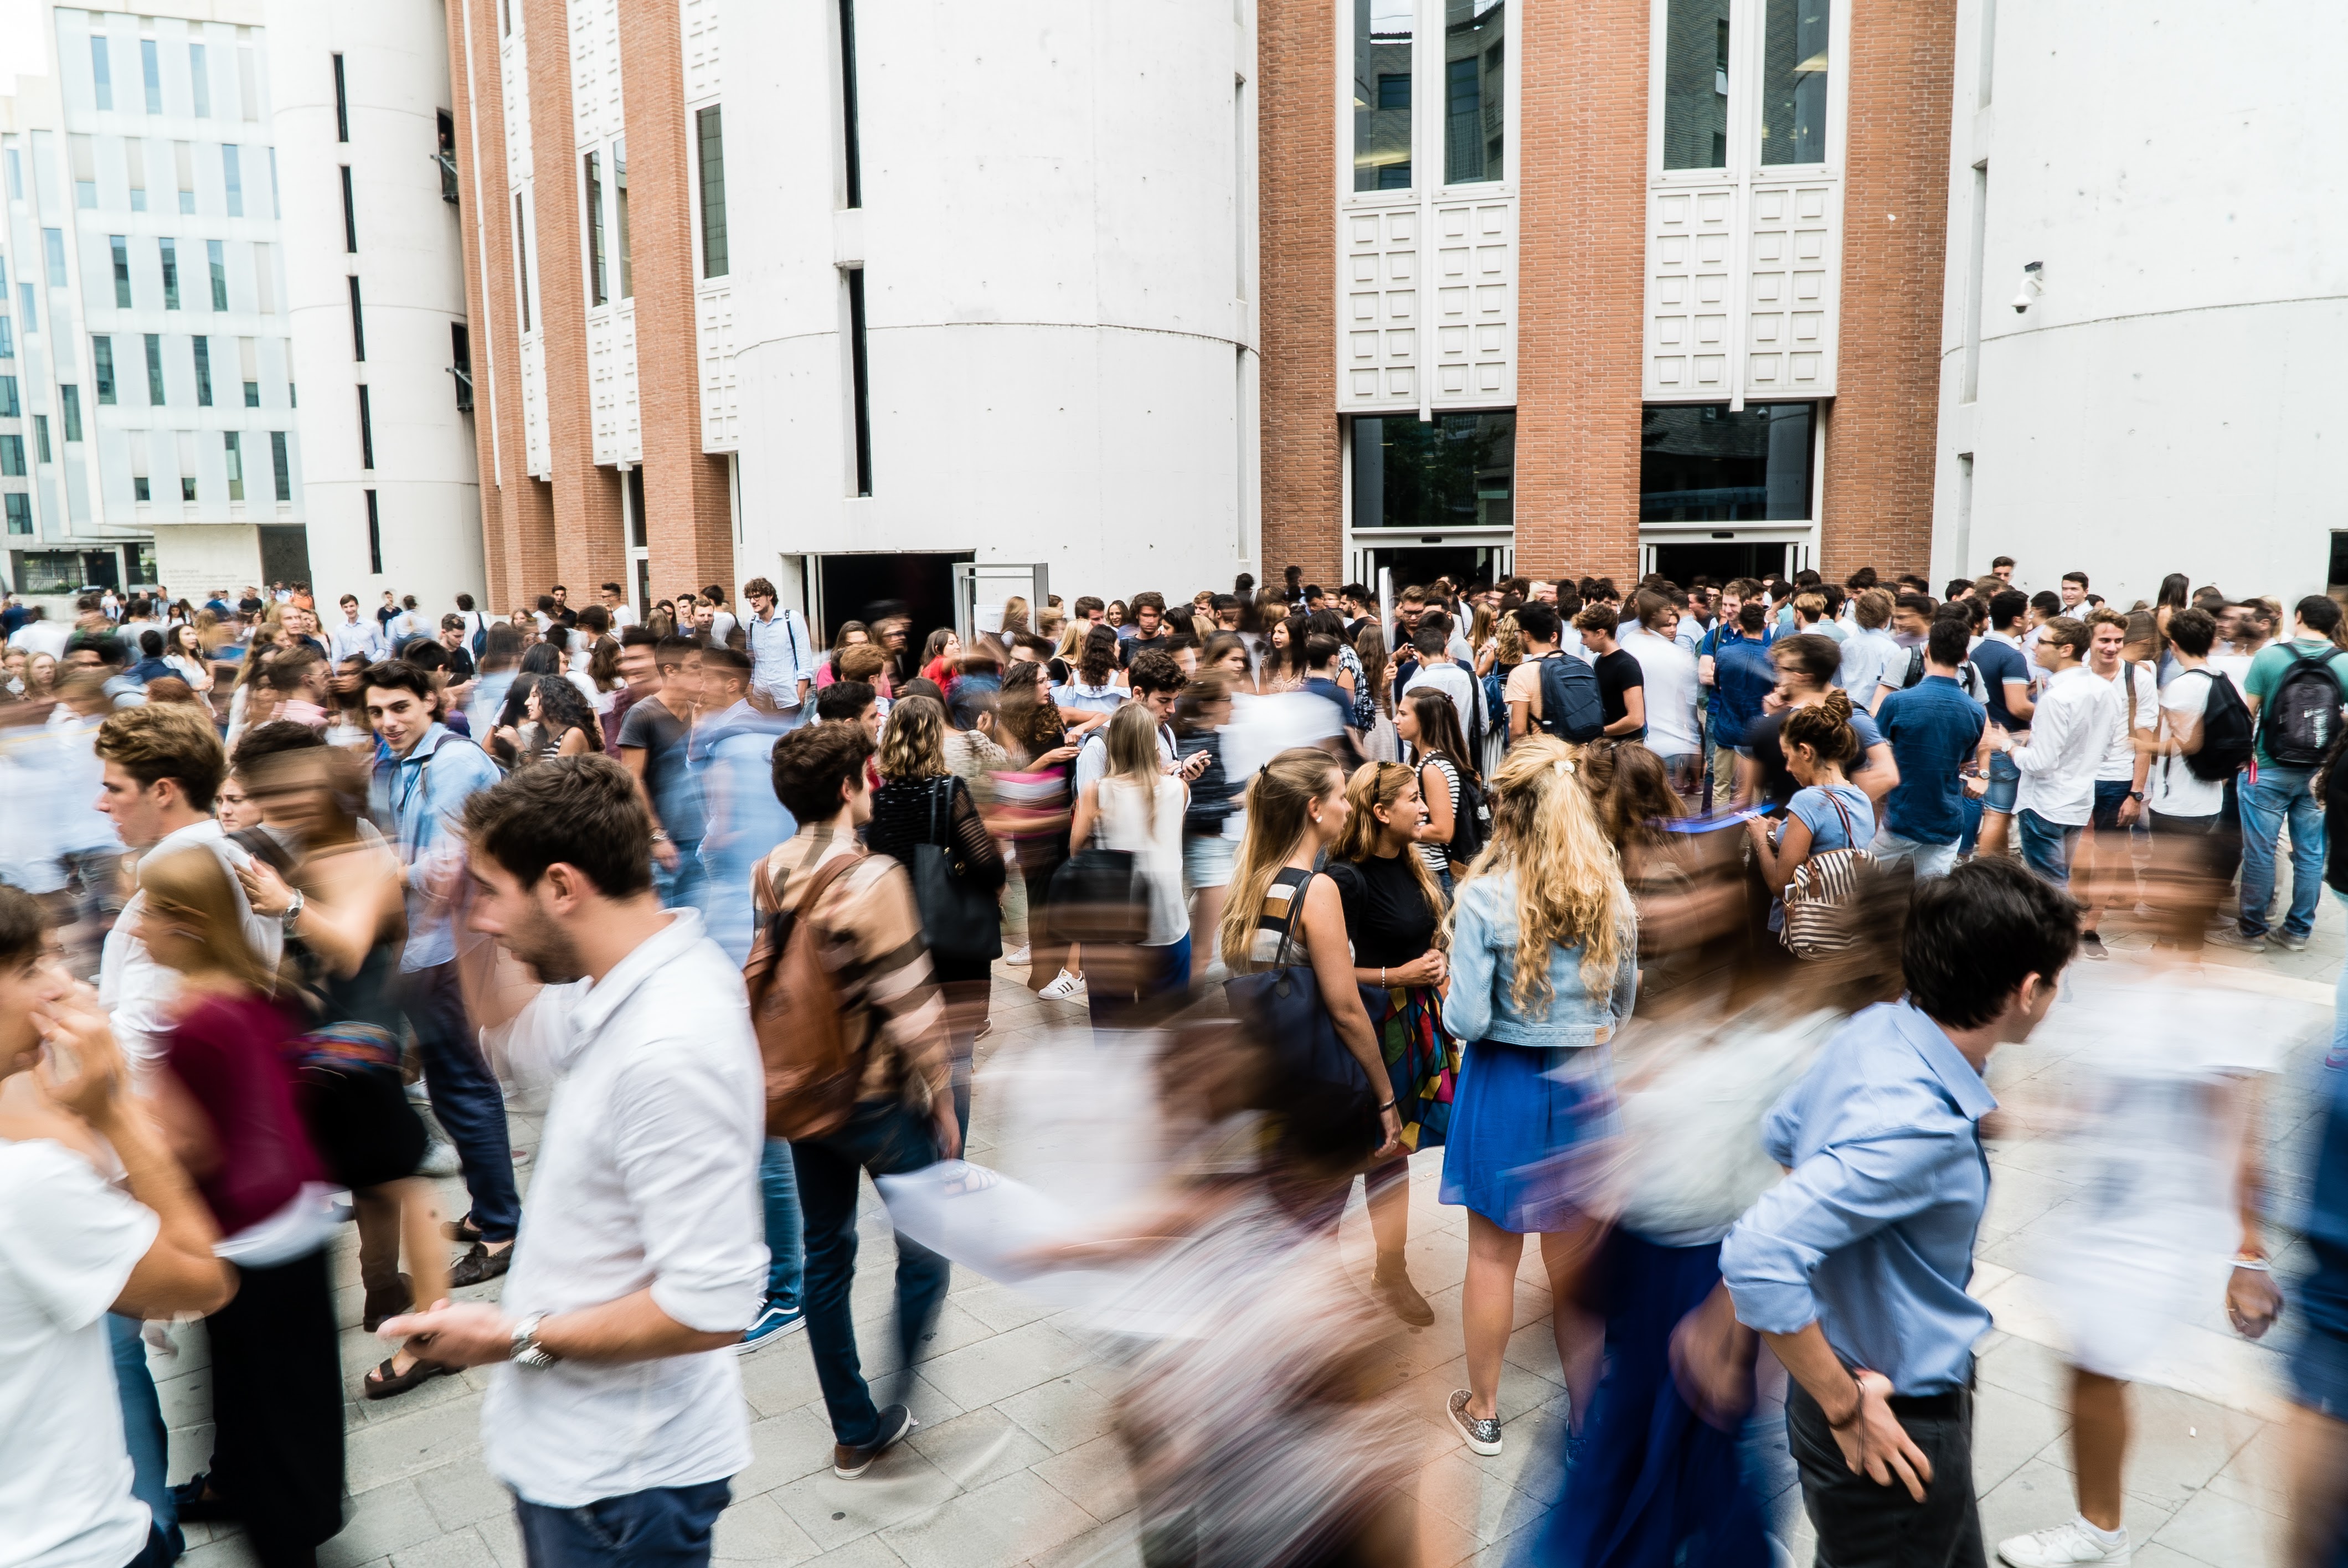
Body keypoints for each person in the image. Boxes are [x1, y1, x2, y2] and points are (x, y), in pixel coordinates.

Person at [379, 757, 766, 1568]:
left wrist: (510, 1337)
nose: (482, 918)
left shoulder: (670, 1045)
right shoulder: (623, 981)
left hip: (622, 1488)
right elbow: (511, 1038)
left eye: (491, 892)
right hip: (586, 1467)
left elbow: (713, 1305)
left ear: (562, 887)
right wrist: (456, 910)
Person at [1712, 858, 2079, 1568]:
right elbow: (1757, 1256)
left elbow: (1786, 1134)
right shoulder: (1918, 1125)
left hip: (1873, 1390)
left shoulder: (1884, 1027)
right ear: (2027, 992)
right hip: (1889, 1410)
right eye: (2058, 981)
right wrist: (1845, 1403)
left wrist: (1844, 1257)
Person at [0, 884, 235, 1568]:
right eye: (28, 968)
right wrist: (115, 1109)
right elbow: (201, 1282)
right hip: (74, 1546)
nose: (63, 983)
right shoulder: (26, 1184)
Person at [758, 721, 962, 1479]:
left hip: (805, 1092)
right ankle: (895, 1404)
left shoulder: (770, 868)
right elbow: (910, 1004)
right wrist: (940, 1097)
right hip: (875, 1098)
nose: (873, 784)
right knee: (928, 1253)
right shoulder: (873, 878)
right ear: (846, 789)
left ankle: (851, 1427)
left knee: (826, 1253)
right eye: (865, 776)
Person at [136, 848, 346, 1567]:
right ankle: (311, 1527)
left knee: (256, 1421)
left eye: (148, 913)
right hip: (301, 1221)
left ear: (186, 923)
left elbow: (191, 1149)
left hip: (246, 1244)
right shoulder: (254, 990)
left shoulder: (189, 1019)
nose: (136, 930)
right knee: (303, 1409)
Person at [1439, 736, 1635, 1460]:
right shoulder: (1609, 890)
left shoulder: (1486, 898)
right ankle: (1587, 1421)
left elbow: (1467, 1021)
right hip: (1586, 1087)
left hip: (1504, 1087)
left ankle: (1484, 1411)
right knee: (1574, 1268)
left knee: (1493, 1257)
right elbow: (1625, 1003)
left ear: (1508, 815)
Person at [363, 661, 520, 1288]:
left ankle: (503, 1229)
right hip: (428, 946)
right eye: (377, 712)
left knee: (464, 1087)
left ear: (429, 702)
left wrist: (388, 873)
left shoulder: (450, 763)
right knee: (457, 1086)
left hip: (449, 946)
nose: (387, 723)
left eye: (398, 708)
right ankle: (490, 1212)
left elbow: (448, 865)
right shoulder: (404, 762)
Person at [1327, 760, 1458, 1326]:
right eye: (1413, 799)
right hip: (1364, 1030)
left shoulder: (1411, 862)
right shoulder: (1344, 879)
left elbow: (1425, 935)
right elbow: (1326, 973)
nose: (1425, 807)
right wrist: (1396, 976)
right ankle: (1322, 1273)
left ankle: (1391, 1268)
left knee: (1390, 1155)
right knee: (1345, 1157)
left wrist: (1438, 959)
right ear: (1381, 813)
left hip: (1407, 1026)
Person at [867, 694, 1006, 1134]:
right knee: (957, 1056)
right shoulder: (950, 792)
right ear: (934, 742)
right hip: (952, 944)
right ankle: (954, 1157)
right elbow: (985, 864)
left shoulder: (879, 802)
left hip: (898, 942)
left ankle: (915, 1154)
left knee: (906, 1056)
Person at [2222, 593, 2348, 951]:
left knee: (2260, 851)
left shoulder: (2271, 656)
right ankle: (2297, 932)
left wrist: (2245, 755)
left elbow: (2247, 714)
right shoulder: (2345, 664)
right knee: (2310, 852)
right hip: (2319, 775)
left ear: (2299, 617)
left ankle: (2252, 932)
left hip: (2268, 767)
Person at [1071, 701, 1191, 1024]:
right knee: (1165, 1031)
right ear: (1153, 745)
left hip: (1111, 928)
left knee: (1113, 1034)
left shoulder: (1096, 791)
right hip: (1167, 923)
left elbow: (1075, 850)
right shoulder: (1179, 789)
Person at [1991, 617, 2115, 891]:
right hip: (2078, 800)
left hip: (2045, 804)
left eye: (2042, 642)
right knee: (2060, 880)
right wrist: (2035, 738)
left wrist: (2007, 745)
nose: (2034, 647)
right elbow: (2102, 748)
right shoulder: (2105, 690)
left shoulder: (2057, 698)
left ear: (2066, 649)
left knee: (2049, 887)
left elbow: (2040, 764)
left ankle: (2056, 933)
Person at [1748, 692, 1877, 940]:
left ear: (1806, 752)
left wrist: (1760, 839)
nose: (1787, 768)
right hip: (1843, 927)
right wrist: (1782, 830)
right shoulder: (1860, 796)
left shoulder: (1807, 801)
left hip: (1804, 930)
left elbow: (1780, 885)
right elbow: (1831, 842)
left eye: (1788, 757)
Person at [2143, 607, 2234, 952]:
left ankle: (2174, 951)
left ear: (2174, 644)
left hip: (2178, 801)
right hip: (2209, 798)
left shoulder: (2182, 689)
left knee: (2172, 881)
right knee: (2190, 877)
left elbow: (2187, 744)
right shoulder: (2223, 680)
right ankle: (2178, 950)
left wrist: (2142, 742)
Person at [1871, 615, 1987, 880]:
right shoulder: (1974, 712)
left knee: (1860, 888)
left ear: (1927, 650)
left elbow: (1876, 755)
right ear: (1965, 656)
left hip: (1901, 815)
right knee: (1932, 903)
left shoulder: (1897, 703)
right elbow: (1964, 762)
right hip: (1945, 820)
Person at [619, 635, 709, 912]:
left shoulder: (698, 712)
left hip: (700, 841)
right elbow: (632, 779)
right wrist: (656, 836)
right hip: (666, 845)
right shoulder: (642, 714)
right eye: (695, 667)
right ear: (670, 670)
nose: (702, 674)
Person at [1397, 685, 1479, 901]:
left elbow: (1443, 831)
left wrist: (1395, 830)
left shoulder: (1433, 768)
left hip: (1435, 873)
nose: (1396, 720)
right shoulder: (1429, 762)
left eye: (1403, 714)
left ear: (1425, 720)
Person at [1621, 591, 1702, 797]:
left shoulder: (1629, 643)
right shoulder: (1677, 655)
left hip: (1642, 743)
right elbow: (1687, 700)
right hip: (1671, 745)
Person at [742, 576, 817, 726]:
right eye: (750, 598)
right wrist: (750, 690)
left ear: (770, 596)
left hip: (788, 693)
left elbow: (804, 656)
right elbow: (752, 659)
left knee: (787, 737)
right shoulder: (751, 624)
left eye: (757, 596)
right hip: (761, 695)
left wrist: (801, 692)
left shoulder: (791, 618)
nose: (753, 601)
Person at [1575, 604, 1647, 740]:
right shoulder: (1599, 661)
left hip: (1625, 750)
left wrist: (1601, 732)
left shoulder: (1626, 665)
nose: (1583, 642)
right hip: (1607, 748)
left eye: (1585, 636)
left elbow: (1636, 719)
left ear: (1600, 633)